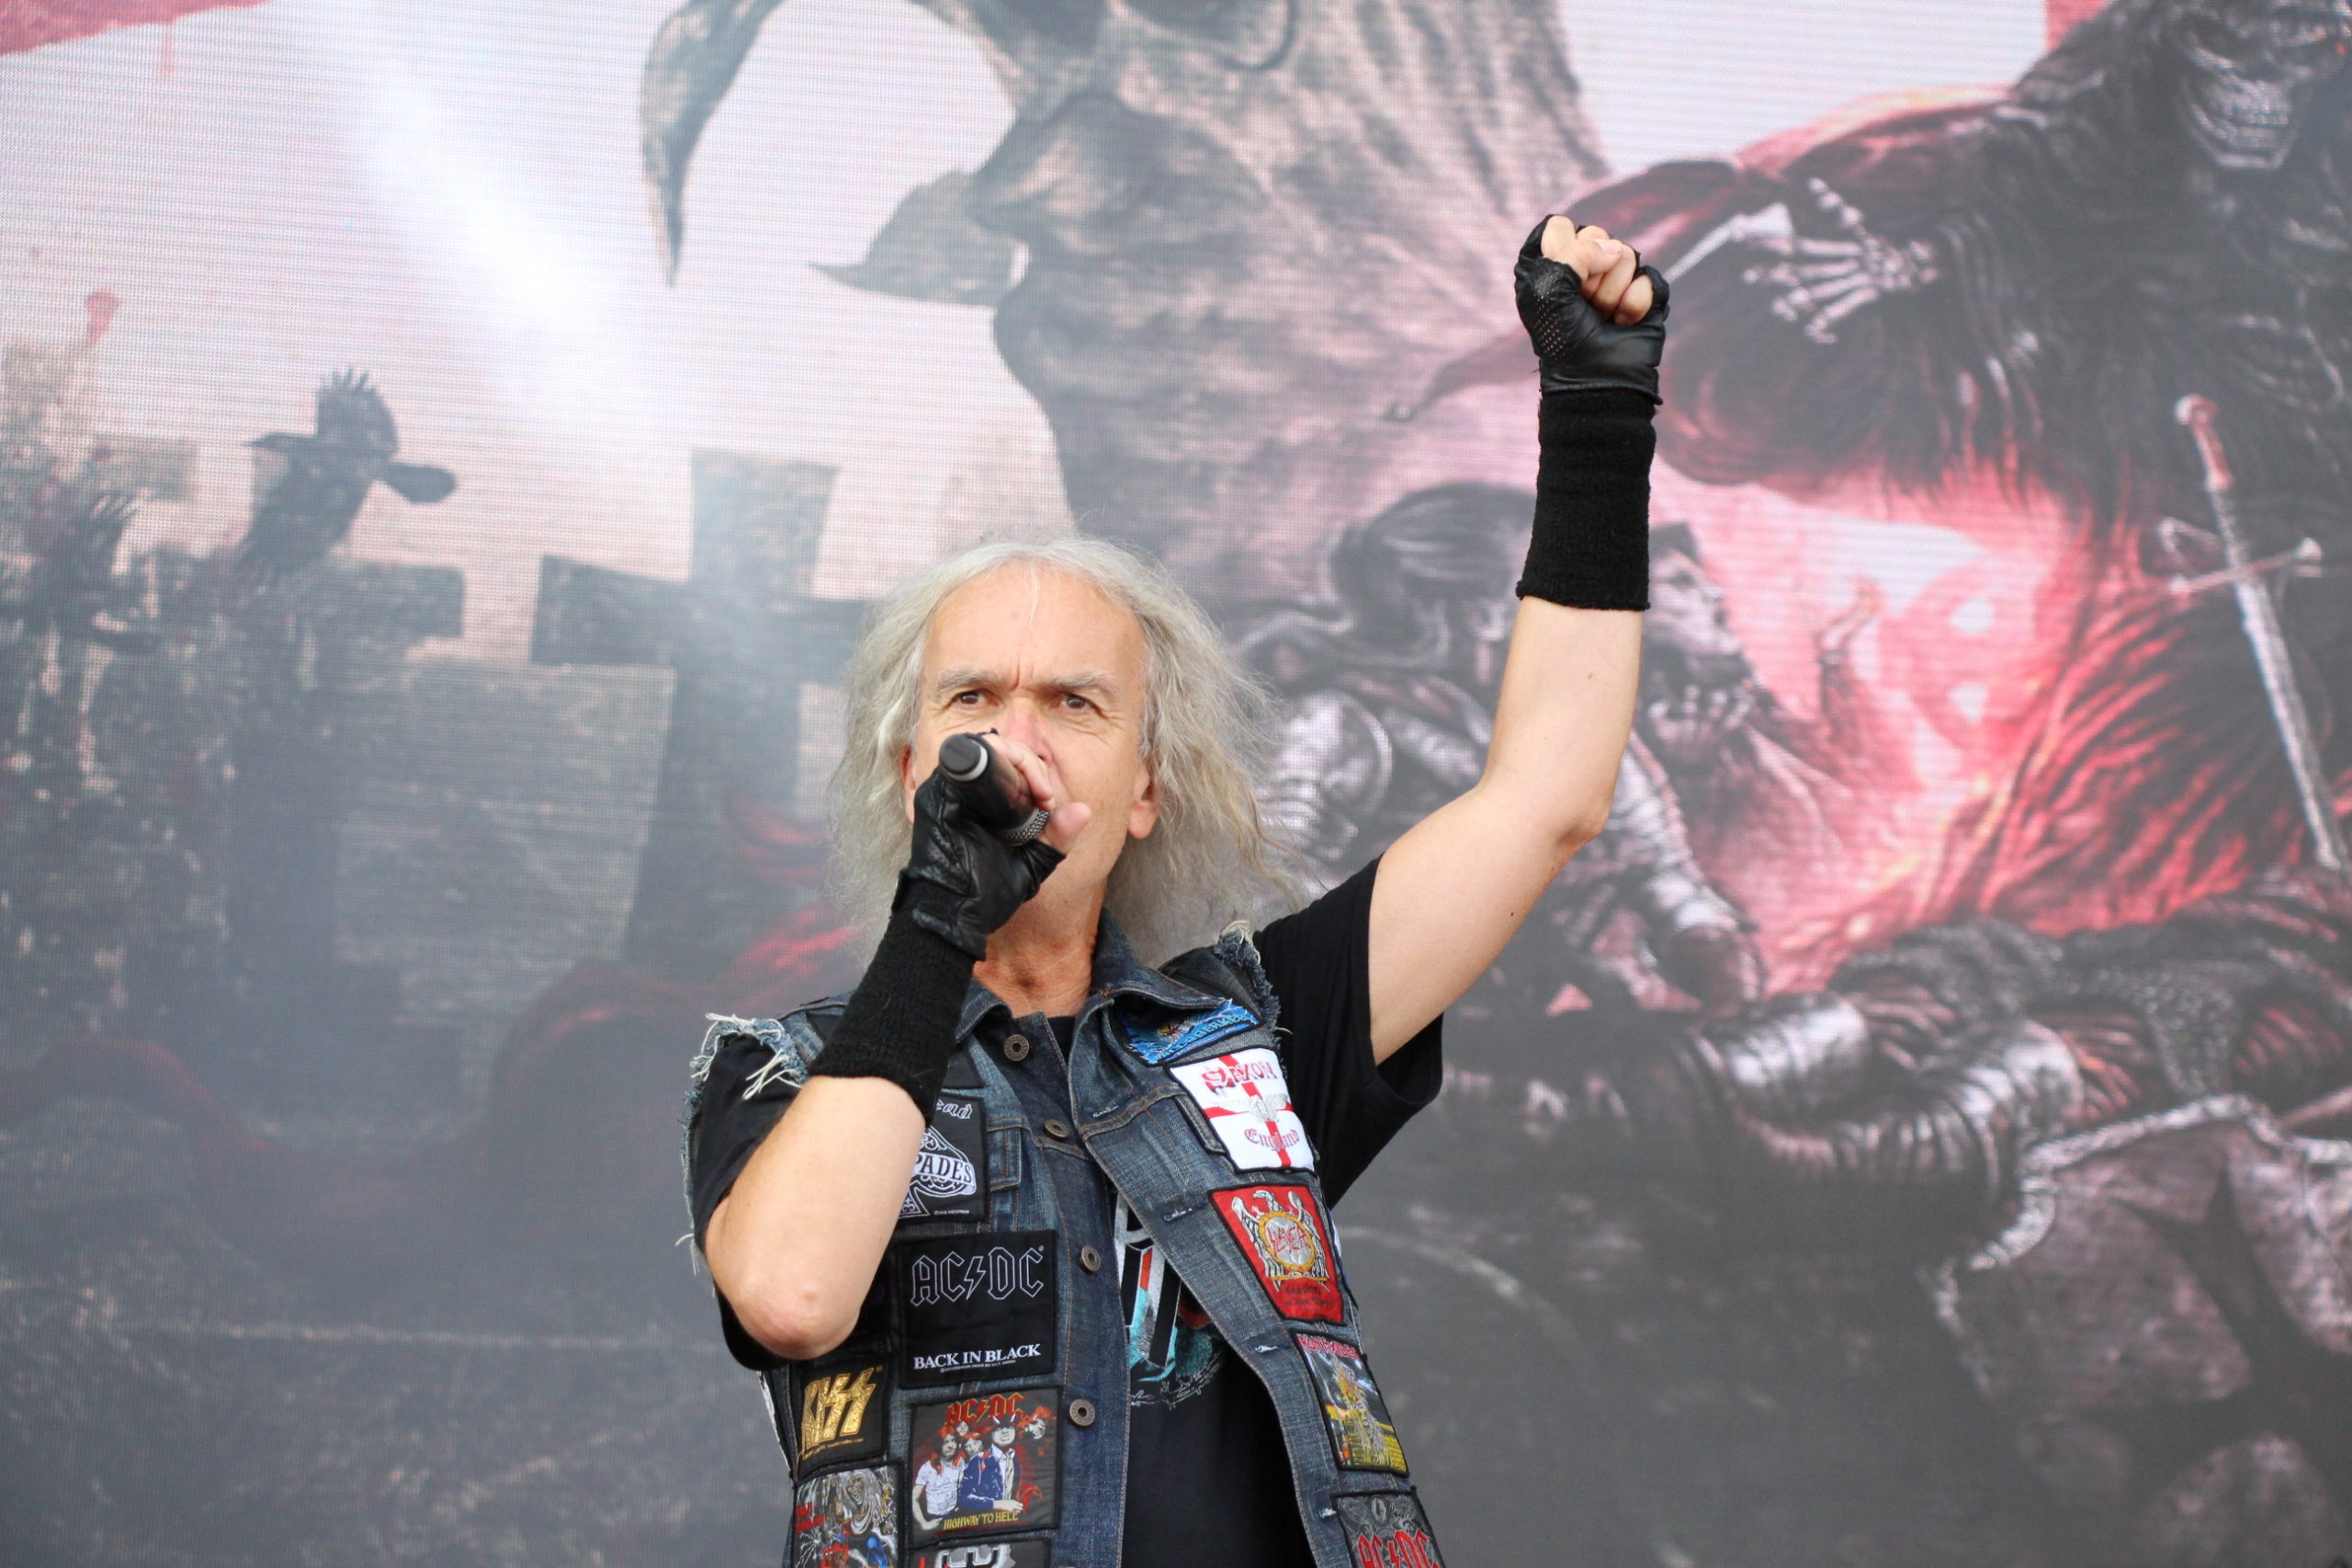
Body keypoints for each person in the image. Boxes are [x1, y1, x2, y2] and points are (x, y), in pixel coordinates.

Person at [684, 218, 1665, 1568]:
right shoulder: (785, 1074)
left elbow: (1547, 797)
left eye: (1074, 702)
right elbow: (792, 1296)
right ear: (913, 768)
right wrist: (939, 917)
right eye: (972, 700)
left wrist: (1598, 417)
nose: (1016, 740)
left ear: (1145, 786)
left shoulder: (1256, 1028)